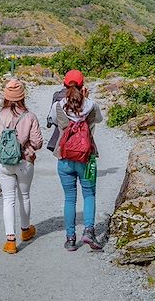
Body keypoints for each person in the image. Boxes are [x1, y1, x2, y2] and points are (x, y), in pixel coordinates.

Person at [0, 78, 43, 254]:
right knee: (24, 196)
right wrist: (28, 148)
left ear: (5, 97)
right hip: (24, 161)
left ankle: (10, 241)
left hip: (3, 163)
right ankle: (25, 231)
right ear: (22, 96)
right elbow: (37, 142)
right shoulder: (29, 116)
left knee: (8, 199)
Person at [53, 69, 104, 252]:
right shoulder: (91, 105)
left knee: (69, 198)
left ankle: (70, 238)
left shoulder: (58, 105)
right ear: (83, 86)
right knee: (89, 194)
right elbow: (99, 119)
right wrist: (86, 99)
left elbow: (54, 121)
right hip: (87, 157)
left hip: (65, 157)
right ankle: (89, 231)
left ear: (64, 85)